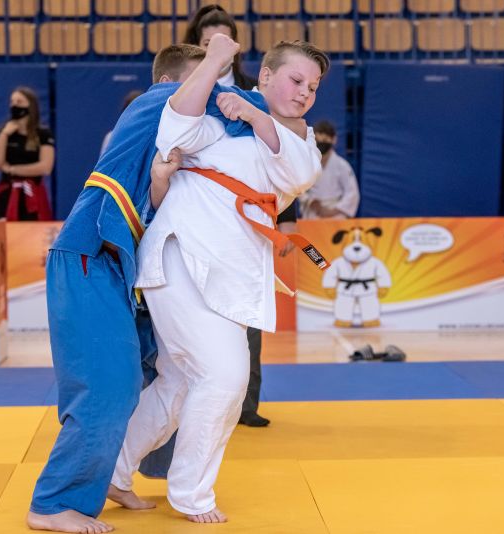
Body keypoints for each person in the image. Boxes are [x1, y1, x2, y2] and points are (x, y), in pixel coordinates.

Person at [26, 43, 272, 534]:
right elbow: (227, 104)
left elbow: (152, 211)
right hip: (89, 255)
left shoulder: (172, 139)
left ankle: (112, 477)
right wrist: (256, 90)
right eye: (206, 84)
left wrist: (162, 182)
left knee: (156, 375)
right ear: (173, 83)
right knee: (108, 384)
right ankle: (53, 503)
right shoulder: (151, 103)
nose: (215, 94)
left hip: (122, 267)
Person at [110, 36, 328, 524]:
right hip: (184, 253)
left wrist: (256, 117)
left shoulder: (297, 138)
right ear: (265, 75)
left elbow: (299, 175)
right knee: (225, 376)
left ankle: (113, 471)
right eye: (296, 80)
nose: (304, 93)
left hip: (230, 267)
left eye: (313, 87)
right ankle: (192, 494)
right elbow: (176, 129)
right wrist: (217, 70)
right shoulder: (221, 116)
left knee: (178, 383)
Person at [184, 3, 275, 427]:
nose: (216, 48)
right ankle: (190, 403)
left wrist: (284, 219)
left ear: (236, 47)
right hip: (194, 213)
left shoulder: (254, 93)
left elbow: (276, 155)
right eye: (207, 42)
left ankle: (246, 405)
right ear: (197, 45)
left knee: (246, 310)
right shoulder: (182, 89)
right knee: (193, 313)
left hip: (244, 217)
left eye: (223, 41)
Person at [0, 86, 55, 221]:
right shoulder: (1, 132)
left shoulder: (43, 134)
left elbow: (46, 167)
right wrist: (4, 135)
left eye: (19, 102)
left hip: (32, 191)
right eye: (12, 102)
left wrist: (12, 169)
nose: (14, 105)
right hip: (6, 192)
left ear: (30, 106)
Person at [184, 4, 256, 90]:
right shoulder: (180, 91)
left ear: (235, 46)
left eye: (223, 43)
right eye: (207, 44)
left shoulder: (254, 90)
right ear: (197, 46)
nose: (216, 50)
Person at [300, 120, 359, 219]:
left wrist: (334, 210)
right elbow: (298, 188)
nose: (321, 143)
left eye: (325, 139)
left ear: (334, 140)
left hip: (336, 212)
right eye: (318, 140)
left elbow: (352, 193)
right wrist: (310, 201)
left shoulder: (342, 165)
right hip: (313, 211)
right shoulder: (307, 163)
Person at [99, 90, 143, 157]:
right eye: (132, 109)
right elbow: (103, 163)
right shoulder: (111, 137)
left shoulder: (153, 137)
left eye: (139, 109)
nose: (135, 113)